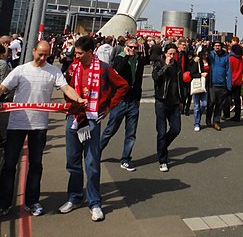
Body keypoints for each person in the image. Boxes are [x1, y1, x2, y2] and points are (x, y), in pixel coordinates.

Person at [0, 41, 86, 217]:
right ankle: (4, 203)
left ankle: (32, 202)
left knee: (36, 165)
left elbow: (66, 88)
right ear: (33, 51)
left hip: (39, 126)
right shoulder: (21, 70)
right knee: (9, 165)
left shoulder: (53, 72)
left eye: (46, 55)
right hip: (17, 124)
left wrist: (77, 99)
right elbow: (3, 87)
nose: (42, 57)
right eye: (40, 54)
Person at [60, 36, 128, 222]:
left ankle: (95, 202)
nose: (77, 56)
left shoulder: (104, 69)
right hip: (73, 119)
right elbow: (65, 87)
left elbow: (123, 85)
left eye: (80, 53)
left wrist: (108, 107)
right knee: (72, 162)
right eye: (76, 53)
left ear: (90, 52)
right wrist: (69, 105)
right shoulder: (73, 67)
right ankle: (74, 197)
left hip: (91, 120)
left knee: (91, 163)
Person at [100, 38, 145, 171]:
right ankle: (96, 151)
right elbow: (116, 73)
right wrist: (125, 56)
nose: (133, 50)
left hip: (133, 102)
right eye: (130, 47)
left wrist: (138, 98)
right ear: (125, 47)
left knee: (131, 133)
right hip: (120, 101)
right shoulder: (119, 59)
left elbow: (139, 80)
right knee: (110, 130)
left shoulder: (139, 61)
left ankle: (126, 159)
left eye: (135, 48)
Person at [152, 43, 184, 171]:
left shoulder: (177, 66)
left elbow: (180, 83)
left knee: (176, 129)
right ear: (165, 54)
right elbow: (156, 77)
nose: (172, 56)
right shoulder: (159, 63)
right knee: (161, 131)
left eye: (174, 54)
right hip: (161, 101)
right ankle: (162, 160)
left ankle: (162, 146)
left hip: (175, 102)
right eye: (169, 53)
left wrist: (182, 99)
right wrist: (165, 65)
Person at [206, 40, 232, 131]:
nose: (217, 47)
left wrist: (229, 85)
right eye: (215, 45)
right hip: (212, 84)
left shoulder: (226, 56)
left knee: (219, 105)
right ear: (213, 47)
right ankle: (208, 118)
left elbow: (228, 71)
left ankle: (216, 122)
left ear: (221, 47)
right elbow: (201, 55)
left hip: (222, 84)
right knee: (211, 102)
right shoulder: (210, 54)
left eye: (219, 45)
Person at [189, 48, 210, 131]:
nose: (206, 56)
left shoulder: (210, 61)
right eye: (205, 54)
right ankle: (197, 123)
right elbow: (192, 74)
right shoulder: (197, 61)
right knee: (196, 105)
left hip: (206, 85)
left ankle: (198, 116)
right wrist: (201, 74)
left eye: (207, 54)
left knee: (204, 104)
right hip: (198, 85)